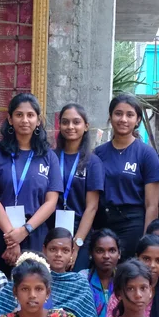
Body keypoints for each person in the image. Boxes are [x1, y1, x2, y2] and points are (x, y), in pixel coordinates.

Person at [0, 94, 62, 272]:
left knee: (33, 290)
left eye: (30, 115)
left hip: (34, 231)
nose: (25, 120)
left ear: (38, 120)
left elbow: (51, 201)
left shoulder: (49, 157)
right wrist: (12, 237)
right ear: (10, 119)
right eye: (19, 115)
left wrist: (24, 230)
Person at [93, 94, 159, 260]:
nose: (123, 119)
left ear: (137, 120)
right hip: (104, 223)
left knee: (128, 274)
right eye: (118, 113)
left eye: (130, 115)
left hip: (132, 224)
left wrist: (146, 241)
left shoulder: (146, 154)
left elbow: (152, 205)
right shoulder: (98, 153)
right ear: (110, 117)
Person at [55, 103, 104, 271]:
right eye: (65, 122)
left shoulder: (93, 162)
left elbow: (92, 207)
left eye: (76, 122)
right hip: (50, 230)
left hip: (79, 232)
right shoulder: (50, 157)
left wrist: (76, 245)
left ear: (86, 126)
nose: (70, 127)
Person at [84, 229, 120, 317]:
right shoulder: (82, 279)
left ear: (119, 254)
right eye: (100, 251)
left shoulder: (125, 280)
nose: (106, 256)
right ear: (91, 254)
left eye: (112, 250)